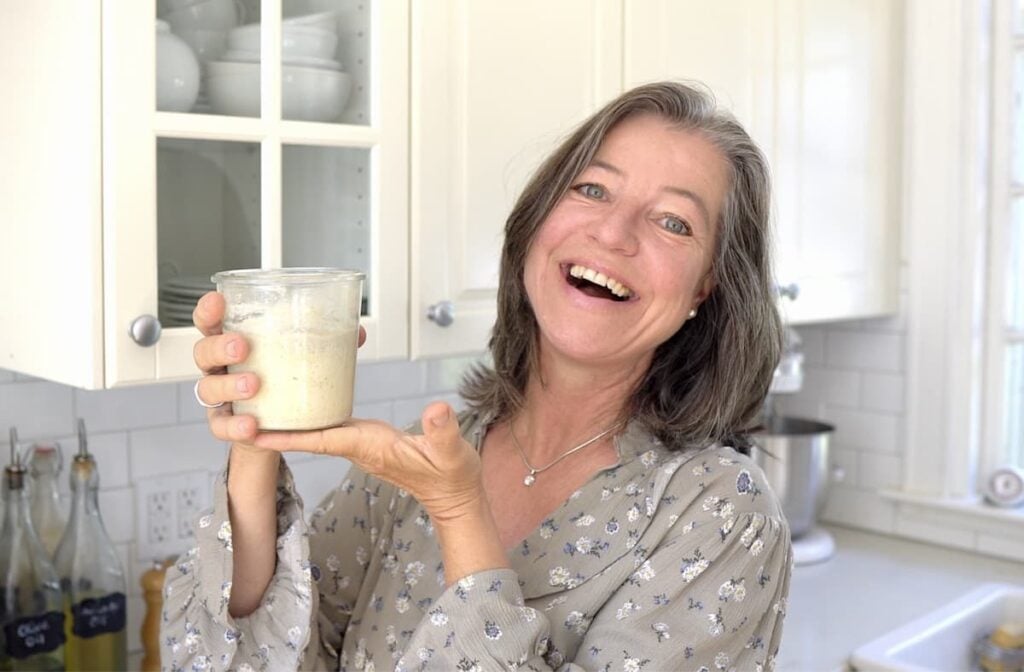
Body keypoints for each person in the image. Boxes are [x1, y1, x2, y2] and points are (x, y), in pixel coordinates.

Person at [165, 81, 792, 672]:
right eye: (593, 190)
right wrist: (254, 443)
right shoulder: (428, 456)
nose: (613, 232)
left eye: (673, 222)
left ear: (707, 287)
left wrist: (458, 510)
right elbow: (266, 654)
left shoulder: (722, 514)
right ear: (538, 222)